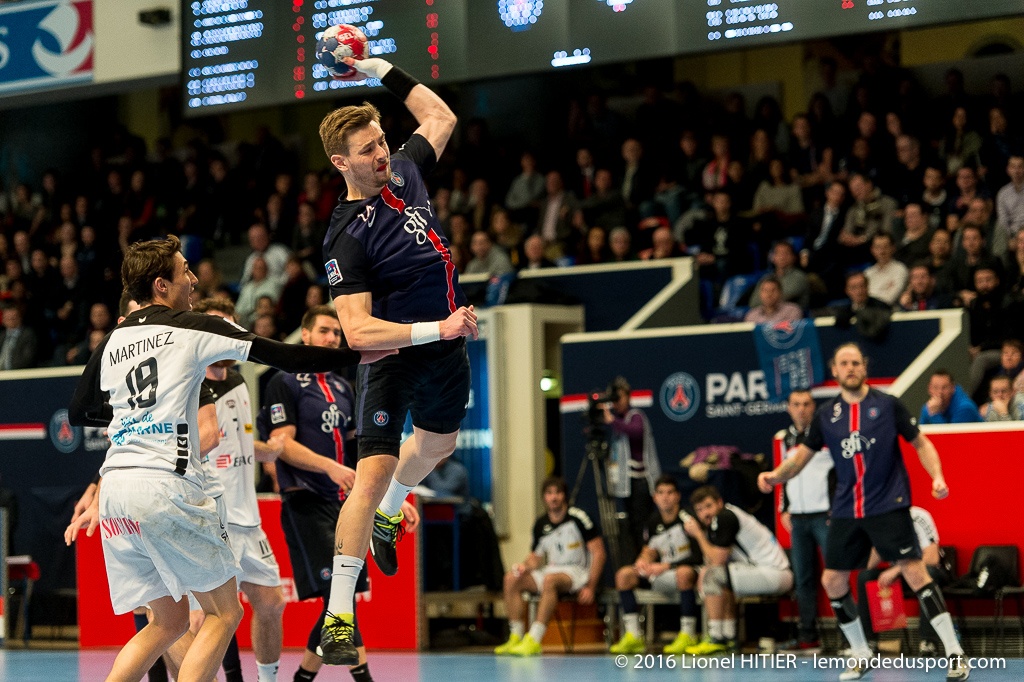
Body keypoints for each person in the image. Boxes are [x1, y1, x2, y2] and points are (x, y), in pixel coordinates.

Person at [66, 236, 391, 682]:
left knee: (166, 623)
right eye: (185, 270)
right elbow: (282, 354)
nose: (193, 278)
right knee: (224, 613)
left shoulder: (113, 340)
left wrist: (135, 416)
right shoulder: (191, 327)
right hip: (165, 485)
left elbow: (79, 412)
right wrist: (358, 353)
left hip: (117, 492)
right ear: (161, 285)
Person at [316, 52, 479, 666]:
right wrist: (438, 326)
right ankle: (338, 616)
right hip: (393, 356)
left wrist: (377, 67)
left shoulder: (405, 171)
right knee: (373, 473)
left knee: (438, 446)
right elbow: (357, 331)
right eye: (368, 151)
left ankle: (390, 516)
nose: (382, 154)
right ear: (342, 163)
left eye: (382, 141)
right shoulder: (346, 235)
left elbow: (440, 116)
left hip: (445, 348)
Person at [757, 342, 969, 681]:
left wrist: (938, 476)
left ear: (864, 367)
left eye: (856, 362)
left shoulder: (887, 405)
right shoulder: (826, 416)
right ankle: (861, 652)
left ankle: (954, 652)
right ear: (835, 370)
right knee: (832, 580)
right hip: (846, 509)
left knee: (915, 572)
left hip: (888, 504)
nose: (851, 368)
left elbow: (922, 443)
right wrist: (774, 476)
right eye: (844, 363)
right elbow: (800, 458)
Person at [259, 304, 420, 682]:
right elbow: (282, 445)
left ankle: (302, 678)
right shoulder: (284, 381)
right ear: (305, 335)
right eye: (324, 331)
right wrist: (331, 468)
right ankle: (363, 678)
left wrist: (393, 497)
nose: (332, 338)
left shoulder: (344, 387)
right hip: (305, 500)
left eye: (336, 333)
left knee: (341, 600)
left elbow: (363, 454)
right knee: (338, 593)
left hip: (343, 504)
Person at [179, 297, 287, 682]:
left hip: (248, 519)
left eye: (230, 328)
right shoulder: (188, 385)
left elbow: (235, 441)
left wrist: (266, 451)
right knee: (199, 620)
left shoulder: (239, 379)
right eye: (216, 328)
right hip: (210, 518)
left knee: (271, 603)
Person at [494, 476, 606, 657]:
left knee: (549, 581)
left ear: (564, 496)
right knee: (511, 578)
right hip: (551, 569)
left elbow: (599, 552)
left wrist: (591, 587)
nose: (554, 497)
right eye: (549, 493)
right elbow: (535, 558)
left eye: (558, 493)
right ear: (544, 497)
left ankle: (534, 639)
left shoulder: (579, 518)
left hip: (576, 572)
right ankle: (516, 636)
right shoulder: (541, 524)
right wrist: (523, 566)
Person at [680, 485, 792, 655]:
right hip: (771, 572)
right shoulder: (722, 519)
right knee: (722, 576)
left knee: (713, 576)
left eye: (708, 506)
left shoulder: (725, 517)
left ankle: (716, 637)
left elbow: (716, 560)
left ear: (719, 503)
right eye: (700, 510)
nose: (705, 513)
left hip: (773, 573)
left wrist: (698, 535)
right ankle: (729, 637)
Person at [608, 475, 702, 655]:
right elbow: (649, 550)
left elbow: (698, 556)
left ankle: (688, 634)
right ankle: (634, 636)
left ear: (677, 496)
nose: (665, 497)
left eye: (670, 492)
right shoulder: (652, 521)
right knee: (624, 575)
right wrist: (642, 561)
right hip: (662, 573)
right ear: (655, 497)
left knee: (683, 573)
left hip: (689, 572)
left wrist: (667, 566)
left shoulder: (687, 518)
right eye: (661, 493)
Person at [777, 389, 834, 651]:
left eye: (806, 404)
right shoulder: (785, 438)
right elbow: (784, 474)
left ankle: (852, 639)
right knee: (803, 579)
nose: (801, 409)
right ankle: (808, 637)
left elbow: (842, 472)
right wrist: (784, 509)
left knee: (836, 574)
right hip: (798, 519)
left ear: (814, 407)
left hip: (825, 515)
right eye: (796, 404)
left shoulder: (826, 433)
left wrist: (837, 508)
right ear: (789, 408)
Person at [856, 506, 950, 656]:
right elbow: (869, 565)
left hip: (924, 571)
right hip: (900, 577)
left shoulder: (918, 517)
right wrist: (877, 540)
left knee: (931, 573)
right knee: (865, 577)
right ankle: (868, 642)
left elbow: (932, 558)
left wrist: (897, 570)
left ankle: (929, 642)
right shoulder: (879, 521)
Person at [602, 375, 660, 554]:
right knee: (632, 524)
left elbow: (636, 432)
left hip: (641, 482)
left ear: (628, 397)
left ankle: (646, 557)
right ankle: (637, 559)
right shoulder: (619, 423)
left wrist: (612, 420)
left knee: (642, 523)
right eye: (614, 399)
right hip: (627, 484)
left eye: (619, 398)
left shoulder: (635, 416)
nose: (617, 403)